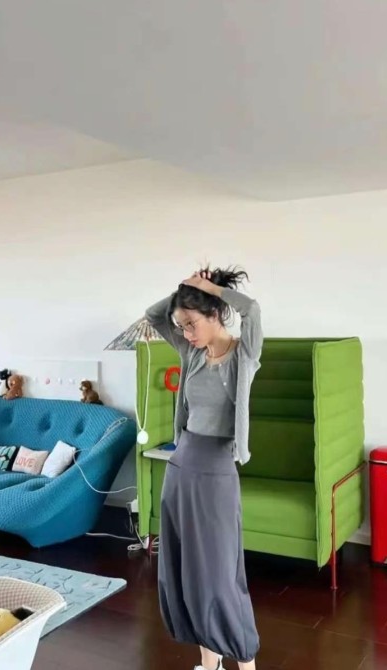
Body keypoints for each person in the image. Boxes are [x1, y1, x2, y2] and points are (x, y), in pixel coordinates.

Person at [145, 266, 263, 670]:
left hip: (216, 471)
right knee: (186, 572)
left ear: (215, 314)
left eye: (191, 324)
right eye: (182, 326)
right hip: (180, 468)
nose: (186, 333)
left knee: (219, 575)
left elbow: (252, 310)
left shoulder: (244, 355)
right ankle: (209, 664)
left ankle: (245, 663)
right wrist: (182, 290)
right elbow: (154, 315)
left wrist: (209, 288)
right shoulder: (192, 353)